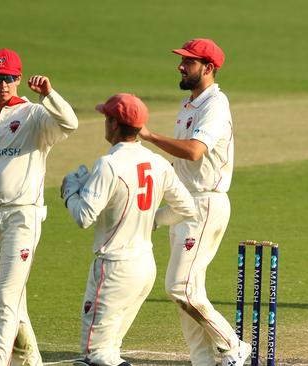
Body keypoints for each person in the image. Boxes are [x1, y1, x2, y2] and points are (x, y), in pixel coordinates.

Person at [0, 48, 78, 366]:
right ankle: (31, 359)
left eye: (9, 78)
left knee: (7, 298)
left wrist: (49, 94)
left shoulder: (35, 116)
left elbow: (70, 123)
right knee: (5, 299)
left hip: (22, 216)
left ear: (19, 79)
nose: (3, 84)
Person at [61, 93, 197, 366]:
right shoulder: (157, 162)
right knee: (109, 351)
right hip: (144, 267)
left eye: (106, 118)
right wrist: (151, 220)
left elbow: (84, 216)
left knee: (94, 354)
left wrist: (69, 192)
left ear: (113, 124)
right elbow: (187, 209)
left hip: (113, 269)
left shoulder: (108, 164)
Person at [138, 38, 251, 366]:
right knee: (188, 291)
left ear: (208, 68)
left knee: (180, 287)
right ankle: (201, 360)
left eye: (189, 61)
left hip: (205, 204)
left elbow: (194, 150)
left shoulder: (215, 105)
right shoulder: (190, 104)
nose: (181, 66)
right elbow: (182, 164)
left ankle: (232, 345)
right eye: (182, 60)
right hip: (185, 204)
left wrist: (149, 136)